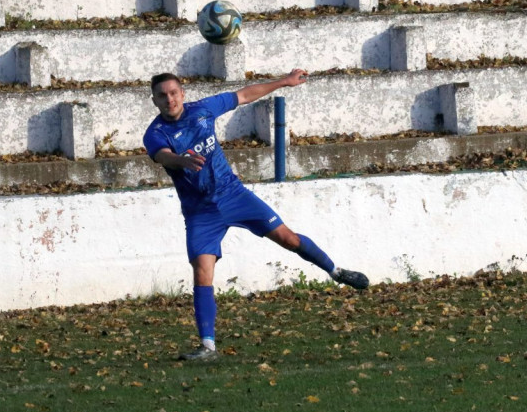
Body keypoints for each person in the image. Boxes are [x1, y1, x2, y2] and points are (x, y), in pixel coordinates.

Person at [143, 69, 369, 361]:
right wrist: (181, 161)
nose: (169, 99)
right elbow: (162, 156)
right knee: (202, 272)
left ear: (182, 93)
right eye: (162, 95)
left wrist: (285, 81)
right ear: (155, 101)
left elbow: (245, 95)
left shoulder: (203, 110)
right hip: (201, 211)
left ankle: (336, 272)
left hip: (233, 195)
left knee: (288, 238)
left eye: (173, 93)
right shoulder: (155, 133)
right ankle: (208, 347)